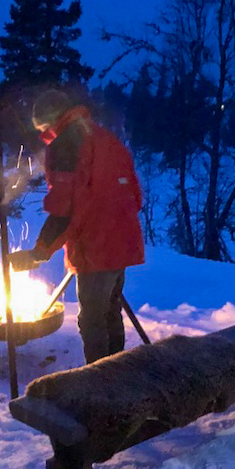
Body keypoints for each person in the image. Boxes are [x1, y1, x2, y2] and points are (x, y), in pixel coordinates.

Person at [10, 89, 145, 363]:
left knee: (92, 319)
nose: (44, 135)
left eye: (43, 129)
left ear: (49, 121)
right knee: (110, 309)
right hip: (123, 238)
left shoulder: (66, 145)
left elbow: (65, 208)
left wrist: (40, 251)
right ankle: (118, 369)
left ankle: (98, 378)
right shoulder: (104, 136)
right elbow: (134, 193)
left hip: (95, 244)